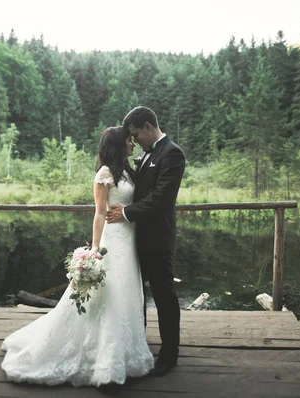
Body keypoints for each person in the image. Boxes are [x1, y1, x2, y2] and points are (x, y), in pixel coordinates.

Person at [1, 126, 154, 387]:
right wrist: (94, 249)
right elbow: (98, 213)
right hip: (112, 239)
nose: (133, 143)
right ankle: (107, 359)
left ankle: (126, 346)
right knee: (111, 293)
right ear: (118, 145)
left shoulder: (128, 170)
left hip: (129, 240)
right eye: (128, 141)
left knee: (126, 292)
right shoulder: (104, 174)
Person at [106, 106, 185, 377]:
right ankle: (137, 344)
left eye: (136, 134)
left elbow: (162, 198)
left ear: (149, 127)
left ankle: (169, 354)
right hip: (133, 239)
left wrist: (126, 212)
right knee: (135, 294)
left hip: (158, 238)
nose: (135, 139)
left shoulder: (172, 153)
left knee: (164, 296)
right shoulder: (145, 153)